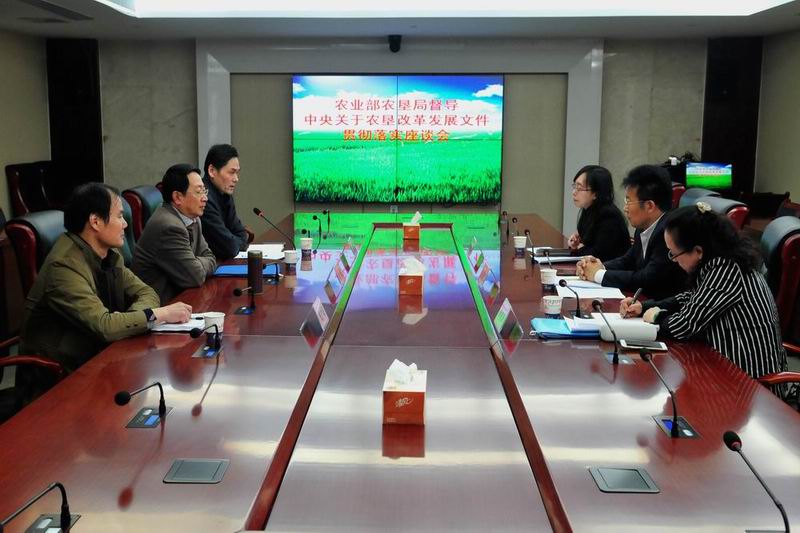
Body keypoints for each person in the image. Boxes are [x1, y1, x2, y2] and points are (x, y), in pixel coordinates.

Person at [18, 184, 192, 402]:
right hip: (58, 381)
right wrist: (156, 315)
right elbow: (105, 326)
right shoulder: (63, 266)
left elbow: (146, 293)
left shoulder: (108, 254)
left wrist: (130, 319)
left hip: (96, 359)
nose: (125, 223)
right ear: (95, 221)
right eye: (119, 216)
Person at [620, 202, 787, 387]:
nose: (673, 260)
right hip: (725, 368)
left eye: (674, 254)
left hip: (748, 383)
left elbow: (683, 326)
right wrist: (645, 307)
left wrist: (655, 316)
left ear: (698, 251)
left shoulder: (726, 271)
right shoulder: (719, 263)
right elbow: (692, 298)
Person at [576, 164, 685, 300]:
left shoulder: (669, 233)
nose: (625, 208)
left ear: (649, 206)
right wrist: (598, 266)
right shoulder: (643, 227)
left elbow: (647, 279)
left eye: (629, 201)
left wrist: (598, 274)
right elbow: (628, 260)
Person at [133, 164, 217, 305]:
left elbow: (211, 257)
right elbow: (195, 277)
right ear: (177, 197)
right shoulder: (168, 227)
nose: (205, 198)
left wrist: (195, 262)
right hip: (159, 307)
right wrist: (197, 264)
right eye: (198, 192)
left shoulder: (193, 218)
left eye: (204, 191)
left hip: (181, 300)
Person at [200, 143, 253, 260]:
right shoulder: (203, 200)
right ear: (212, 171)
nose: (236, 179)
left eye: (237, 173)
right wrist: (237, 241)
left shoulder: (224, 194)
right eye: (231, 172)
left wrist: (236, 241)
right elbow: (230, 247)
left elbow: (240, 232)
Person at [567, 165, 631, 261]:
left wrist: (579, 249)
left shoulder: (609, 216)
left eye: (579, 188)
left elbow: (598, 254)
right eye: (574, 186)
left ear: (595, 194)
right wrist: (576, 244)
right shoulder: (588, 210)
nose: (574, 192)